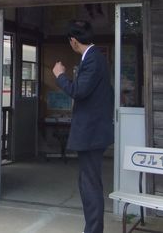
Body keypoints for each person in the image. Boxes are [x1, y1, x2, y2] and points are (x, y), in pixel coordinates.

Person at [52, 20, 114, 233]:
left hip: (92, 133)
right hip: (94, 132)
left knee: (90, 185)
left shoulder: (93, 60)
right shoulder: (95, 58)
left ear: (73, 41)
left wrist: (60, 75)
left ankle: (93, 230)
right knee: (88, 183)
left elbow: (78, 91)